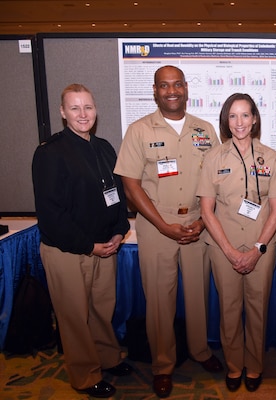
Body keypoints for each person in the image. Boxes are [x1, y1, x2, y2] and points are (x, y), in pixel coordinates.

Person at [114, 65, 223, 398]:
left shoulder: (204, 129)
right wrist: (164, 227)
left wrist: (204, 222)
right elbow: (131, 186)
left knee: (197, 295)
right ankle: (163, 365)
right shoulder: (139, 130)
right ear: (155, 91)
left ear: (187, 88)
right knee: (159, 300)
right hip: (156, 224)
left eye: (177, 84)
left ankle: (200, 351)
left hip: (197, 223)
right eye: (164, 85)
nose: (171, 91)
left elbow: (219, 179)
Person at [32, 84, 131, 398]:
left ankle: (107, 358)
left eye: (88, 107)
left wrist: (119, 230)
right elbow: (51, 214)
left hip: (105, 247)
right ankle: (86, 376)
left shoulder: (103, 147)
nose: (83, 114)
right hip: (69, 252)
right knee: (74, 316)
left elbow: (117, 197)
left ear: (95, 110)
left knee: (102, 310)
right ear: (63, 113)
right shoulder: (50, 152)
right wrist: (89, 246)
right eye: (74, 108)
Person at [197, 93, 276, 393]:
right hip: (224, 248)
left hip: (262, 246)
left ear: (255, 118)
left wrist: (258, 249)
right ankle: (235, 366)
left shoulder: (271, 157)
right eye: (232, 116)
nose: (239, 122)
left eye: (245, 115)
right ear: (226, 120)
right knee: (229, 310)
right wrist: (231, 251)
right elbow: (206, 211)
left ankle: (255, 366)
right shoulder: (213, 158)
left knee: (258, 309)